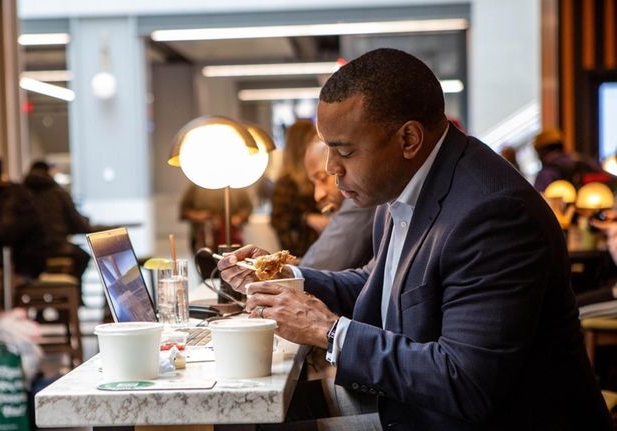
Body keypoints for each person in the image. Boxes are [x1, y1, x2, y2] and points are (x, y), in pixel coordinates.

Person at [219, 48, 611, 430]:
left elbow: (465, 383)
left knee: (255, 421)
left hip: (475, 417)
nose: (331, 169)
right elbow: (381, 286)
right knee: (245, 416)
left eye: (345, 151)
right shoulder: (406, 184)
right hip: (415, 403)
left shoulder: (494, 213)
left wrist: (329, 330)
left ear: (408, 139)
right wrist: (289, 278)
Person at [300, 135, 375, 271]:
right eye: (313, 183)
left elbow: (318, 267)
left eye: (322, 178)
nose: (318, 195)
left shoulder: (360, 203)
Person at [23, 160, 99, 286]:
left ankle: (63, 295)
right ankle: (73, 295)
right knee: (83, 257)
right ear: (48, 172)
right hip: (56, 247)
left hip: (29, 253)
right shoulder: (58, 193)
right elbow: (78, 224)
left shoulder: (22, 193)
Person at [270, 119, 321, 257]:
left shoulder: (316, 178)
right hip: (301, 253)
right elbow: (280, 222)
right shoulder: (286, 183)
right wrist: (308, 218)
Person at [180, 183, 252, 252]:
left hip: (231, 235)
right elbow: (184, 209)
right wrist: (198, 215)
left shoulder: (235, 184)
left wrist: (238, 218)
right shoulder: (197, 184)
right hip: (202, 237)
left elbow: (247, 207)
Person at [533, 128, 603, 191]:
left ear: (542, 150)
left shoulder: (546, 174)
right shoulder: (585, 162)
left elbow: (537, 200)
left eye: (538, 152)